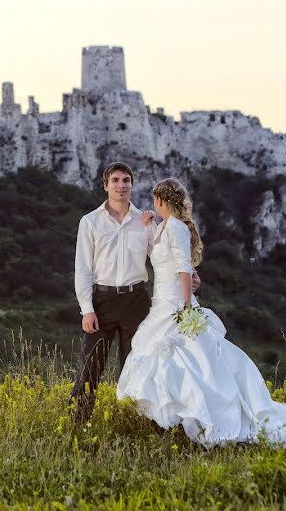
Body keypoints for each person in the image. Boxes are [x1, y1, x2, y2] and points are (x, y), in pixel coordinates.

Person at [116, 178, 286, 446]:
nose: (153, 204)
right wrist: (148, 224)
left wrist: (187, 305)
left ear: (161, 200)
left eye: (154, 200)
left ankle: (200, 418)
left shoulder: (176, 228)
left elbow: (184, 268)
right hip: (160, 302)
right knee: (163, 359)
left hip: (175, 303)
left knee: (189, 362)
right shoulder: (163, 227)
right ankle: (171, 422)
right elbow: (160, 256)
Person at [69, 162, 187, 421]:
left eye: (126, 181)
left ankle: (137, 421)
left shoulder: (144, 221)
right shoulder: (89, 222)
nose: (121, 185)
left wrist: (189, 277)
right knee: (91, 366)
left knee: (137, 365)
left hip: (136, 301)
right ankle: (77, 422)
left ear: (132, 186)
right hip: (102, 300)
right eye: (116, 180)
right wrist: (87, 309)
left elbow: (163, 258)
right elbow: (83, 269)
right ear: (106, 185)